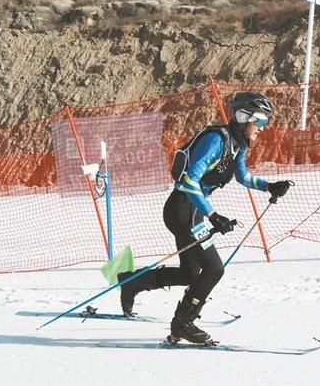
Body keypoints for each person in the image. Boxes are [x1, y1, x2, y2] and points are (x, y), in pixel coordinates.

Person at [117, 91, 291, 343]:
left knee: (190, 273)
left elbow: (243, 177)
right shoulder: (215, 140)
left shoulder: (237, 144)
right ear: (244, 117)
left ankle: (132, 282)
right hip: (183, 210)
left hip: (193, 211)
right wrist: (213, 215)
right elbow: (189, 182)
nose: (263, 128)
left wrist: (269, 186)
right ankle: (182, 324)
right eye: (260, 121)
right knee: (214, 269)